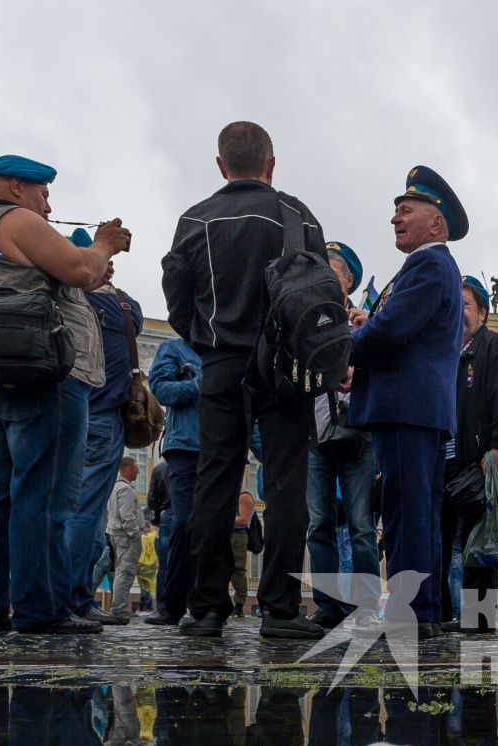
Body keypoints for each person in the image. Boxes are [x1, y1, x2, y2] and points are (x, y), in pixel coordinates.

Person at [0, 155, 128, 635]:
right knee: (44, 492)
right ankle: (40, 607)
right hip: (40, 374)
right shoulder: (18, 219)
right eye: (43, 192)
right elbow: (80, 271)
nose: (48, 203)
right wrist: (105, 245)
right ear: (15, 186)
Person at [161, 121, 326, 640]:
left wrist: (206, 340)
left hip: (221, 362)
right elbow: (321, 298)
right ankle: (280, 608)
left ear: (220, 165)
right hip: (285, 364)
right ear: (271, 165)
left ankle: (207, 607)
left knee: (215, 483)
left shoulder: (195, 218)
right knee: (286, 484)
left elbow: (177, 300)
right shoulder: (297, 215)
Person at [342, 165, 469, 638]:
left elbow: (392, 328)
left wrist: (344, 350)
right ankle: (424, 611)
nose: (395, 219)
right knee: (418, 514)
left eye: (405, 210)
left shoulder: (427, 264)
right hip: (418, 409)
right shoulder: (433, 267)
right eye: (395, 211)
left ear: (435, 223)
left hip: (406, 408)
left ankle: (409, 614)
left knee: (405, 515)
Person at [62, 247, 144, 627]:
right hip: (102, 415)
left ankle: (66, 598)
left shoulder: (62, 297)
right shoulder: (120, 307)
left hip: (71, 410)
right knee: (86, 513)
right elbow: (138, 320)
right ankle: (74, 599)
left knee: (71, 509)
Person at [442, 274, 498, 632]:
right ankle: (444, 614)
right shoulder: (441, 352)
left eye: (463, 305)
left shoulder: (495, 349)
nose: (457, 312)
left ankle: (478, 619)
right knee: (442, 541)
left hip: (478, 462)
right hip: (442, 462)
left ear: (482, 313)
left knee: (480, 544)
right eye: (451, 304)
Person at [308, 241, 381, 630]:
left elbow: (381, 370)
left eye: (331, 270)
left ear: (348, 279)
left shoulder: (365, 321)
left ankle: (367, 606)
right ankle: (327, 606)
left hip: (358, 435)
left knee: (361, 526)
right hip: (316, 433)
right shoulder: (306, 315)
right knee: (319, 523)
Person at [145, 336, 202, 625]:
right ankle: (172, 603)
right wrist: (196, 385)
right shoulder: (175, 348)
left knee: (214, 527)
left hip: (223, 448)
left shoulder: (228, 348)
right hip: (185, 447)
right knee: (183, 522)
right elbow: (160, 389)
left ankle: (206, 602)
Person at [102, 456, 143, 620]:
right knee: (125, 572)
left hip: (118, 534)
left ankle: (118, 608)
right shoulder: (125, 489)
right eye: (135, 467)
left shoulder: (115, 487)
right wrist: (135, 534)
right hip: (126, 536)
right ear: (126, 469)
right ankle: (119, 609)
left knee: (121, 570)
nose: (138, 471)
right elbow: (127, 516)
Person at [230, 491, 262, 616]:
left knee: (237, 570)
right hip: (225, 533)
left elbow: (243, 520)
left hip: (237, 535)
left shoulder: (244, 496)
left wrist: (221, 518)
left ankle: (239, 604)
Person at [136, 515, 159, 613]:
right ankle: (153, 607)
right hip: (153, 565)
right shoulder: (153, 536)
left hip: (141, 566)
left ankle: (144, 607)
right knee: (153, 588)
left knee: (144, 588)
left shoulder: (141, 538)